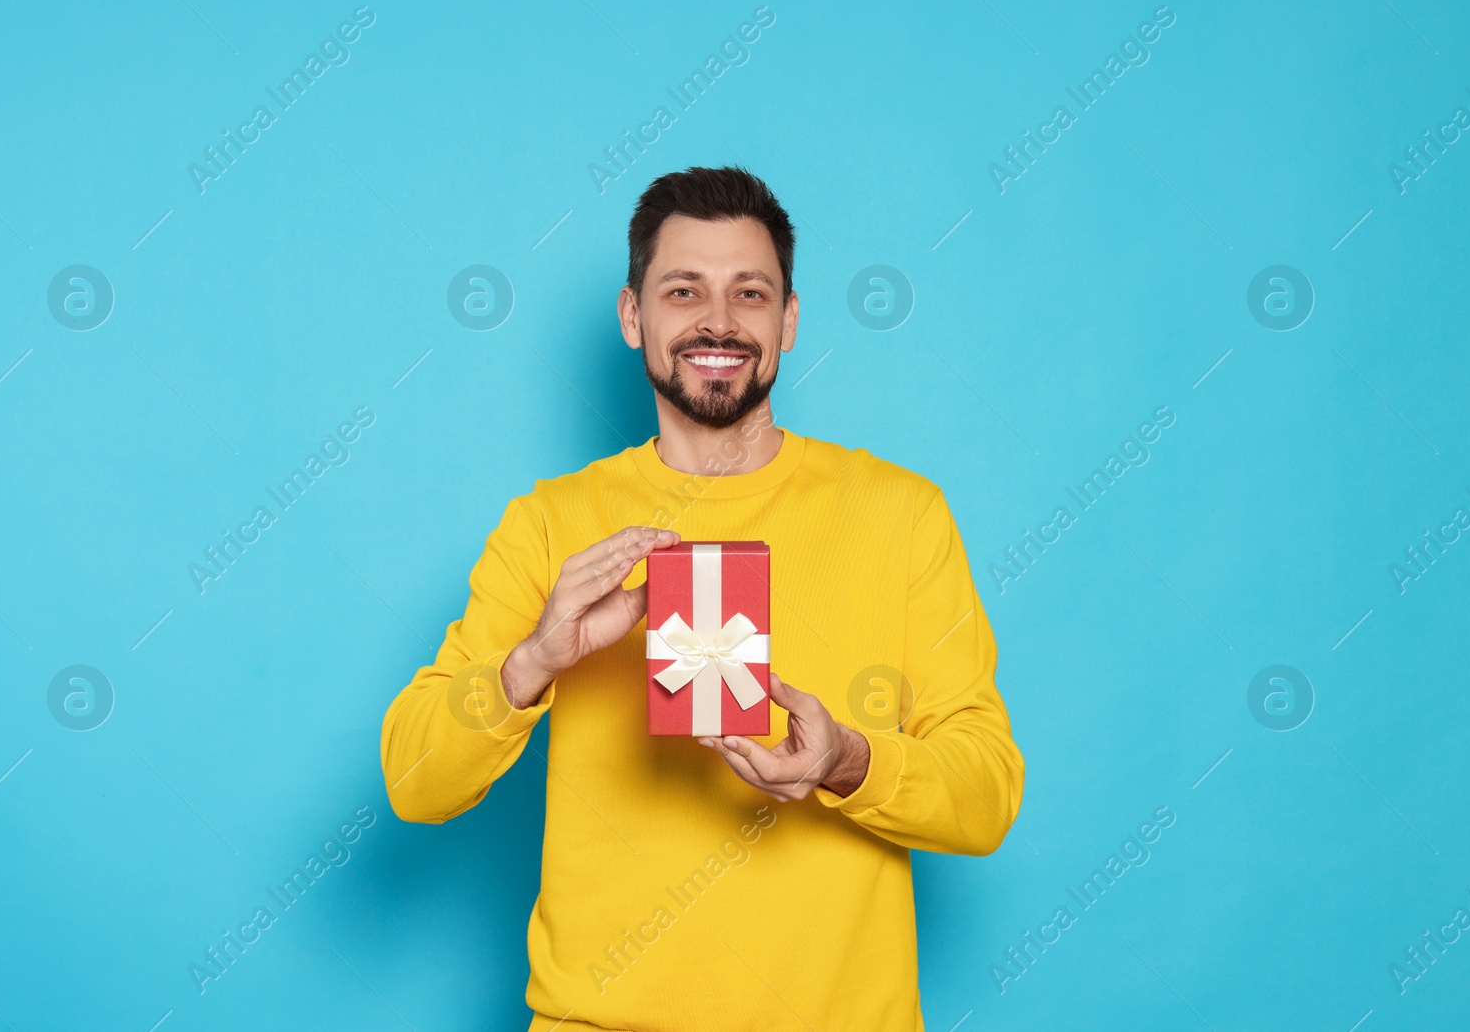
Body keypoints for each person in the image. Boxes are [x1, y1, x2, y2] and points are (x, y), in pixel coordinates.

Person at [380, 165, 1024, 1031]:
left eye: (749, 293)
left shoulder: (901, 513)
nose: (717, 321)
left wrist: (847, 759)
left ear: (788, 321)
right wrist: (531, 661)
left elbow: (986, 794)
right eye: (683, 290)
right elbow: (415, 780)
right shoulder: (549, 525)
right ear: (632, 315)